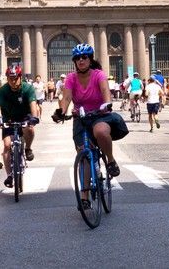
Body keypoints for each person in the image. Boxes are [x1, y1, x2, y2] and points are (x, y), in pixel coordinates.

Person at [53, 44, 125, 184]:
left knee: (101, 131)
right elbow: (67, 98)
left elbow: (105, 91)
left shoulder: (99, 74)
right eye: (77, 58)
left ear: (90, 59)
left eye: (84, 57)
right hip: (81, 118)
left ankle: (110, 160)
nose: (81, 60)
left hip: (99, 114)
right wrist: (61, 112)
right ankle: (84, 197)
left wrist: (107, 104)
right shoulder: (71, 78)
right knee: (83, 154)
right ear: (74, 61)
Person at [0, 64, 40, 188]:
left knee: (29, 128)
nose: (13, 81)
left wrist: (34, 117)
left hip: (25, 117)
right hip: (9, 120)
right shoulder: (3, 90)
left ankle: (28, 148)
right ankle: (9, 175)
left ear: (20, 77)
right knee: (7, 145)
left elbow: (33, 103)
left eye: (15, 78)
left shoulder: (27, 88)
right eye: (10, 78)